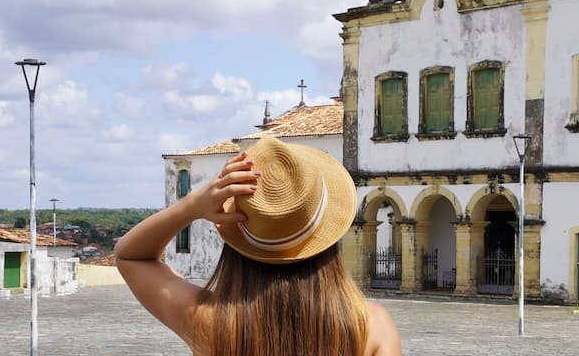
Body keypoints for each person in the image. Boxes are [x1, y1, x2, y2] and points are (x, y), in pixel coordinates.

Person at [118, 136, 401, 355]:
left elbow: (131, 257)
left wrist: (192, 206)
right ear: (325, 239)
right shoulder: (371, 326)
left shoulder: (208, 322)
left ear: (239, 241)